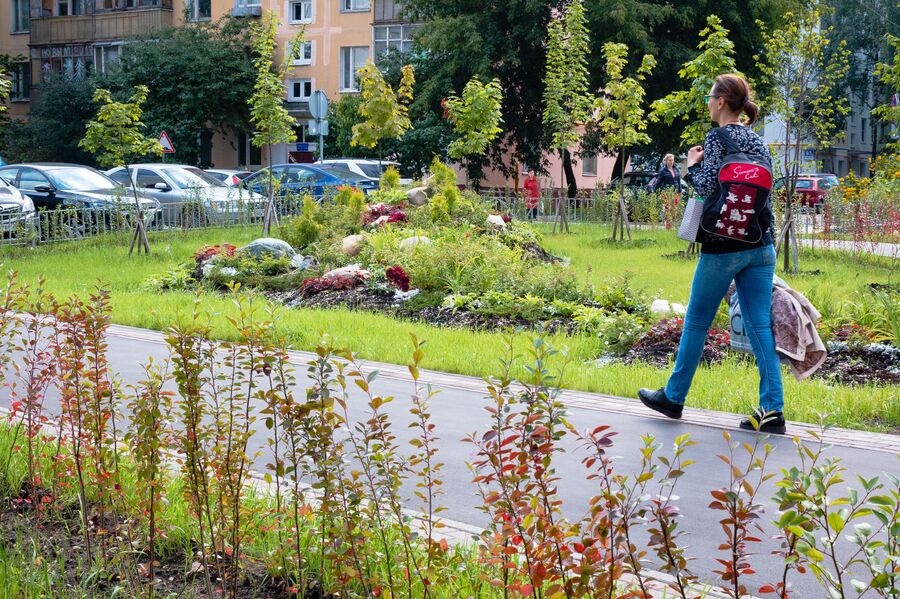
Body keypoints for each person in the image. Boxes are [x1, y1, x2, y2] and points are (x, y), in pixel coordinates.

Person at [637, 73, 785, 434]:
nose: (707, 101)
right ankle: (773, 412)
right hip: (761, 244)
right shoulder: (758, 141)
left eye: (709, 96)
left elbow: (706, 187)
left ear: (720, 102)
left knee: (698, 322)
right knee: (760, 326)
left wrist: (692, 165)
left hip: (723, 246)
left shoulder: (716, 137)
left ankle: (673, 398)